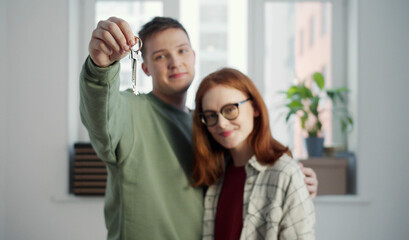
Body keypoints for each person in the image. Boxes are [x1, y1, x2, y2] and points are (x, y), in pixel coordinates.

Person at [80, 16, 318, 240]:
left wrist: (294, 183)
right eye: (161, 56)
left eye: (182, 51)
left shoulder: (208, 125)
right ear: (146, 68)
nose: (175, 62)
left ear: (194, 55)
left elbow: (245, 171)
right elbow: (101, 113)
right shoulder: (130, 111)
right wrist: (100, 67)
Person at [193, 68, 315, 239]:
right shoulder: (214, 176)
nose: (221, 123)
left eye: (230, 110)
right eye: (211, 115)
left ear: (255, 108)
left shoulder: (286, 174)